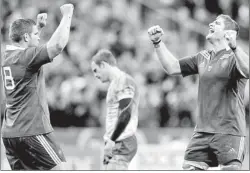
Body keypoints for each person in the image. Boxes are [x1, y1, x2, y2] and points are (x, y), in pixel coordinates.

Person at [148, 14, 249, 170]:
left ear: (228, 32)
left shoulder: (234, 57)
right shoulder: (202, 57)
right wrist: (157, 43)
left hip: (229, 132)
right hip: (202, 133)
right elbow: (172, 67)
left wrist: (235, 47)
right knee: (188, 166)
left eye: (217, 23)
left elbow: (248, 71)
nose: (210, 24)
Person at [1, 4, 74, 170]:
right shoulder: (26, 58)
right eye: (35, 35)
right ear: (26, 37)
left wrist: (37, 28)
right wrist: (67, 15)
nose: (39, 37)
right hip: (32, 130)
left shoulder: (7, 56)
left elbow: (28, 53)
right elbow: (57, 46)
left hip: (10, 133)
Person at [91, 49, 140, 170]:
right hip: (117, 142)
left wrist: (112, 140)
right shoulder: (116, 83)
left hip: (122, 141)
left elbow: (126, 113)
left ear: (103, 64)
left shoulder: (123, 81)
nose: (95, 75)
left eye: (95, 70)